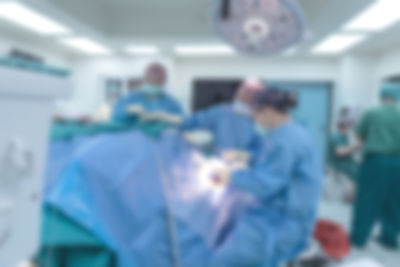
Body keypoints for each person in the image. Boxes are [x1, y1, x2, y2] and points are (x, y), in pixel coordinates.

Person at [209, 88, 323, 267]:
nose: (253, 119)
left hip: (278, 224)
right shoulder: (292, 131)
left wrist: (230, 174)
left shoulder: (286, 141)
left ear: (268, 111)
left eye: (255, 114)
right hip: (287, 215)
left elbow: (263, 184)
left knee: (222, 262)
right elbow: (275, 162)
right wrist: (244, 156)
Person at [351, 83, 400, 249]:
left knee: (367, 199)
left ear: (381, 96)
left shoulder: (372, 113)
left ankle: (359, 238)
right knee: (395, 201)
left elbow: (359, 136)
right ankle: (389, 238)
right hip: (398, 163)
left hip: (376, 161)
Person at [180, 78, 265, 153]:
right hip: (221, 164)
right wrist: (168, 118)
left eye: (253, 92)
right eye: (246, 90)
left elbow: (263, 151)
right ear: (239, 91)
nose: (248, 94)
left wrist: (243, 156)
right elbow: (188, 122)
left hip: (248, 166)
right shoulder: (221, 112)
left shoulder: (263, 120)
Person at [112, 63, 183, 123]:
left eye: (158, 82)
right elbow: (115, 116)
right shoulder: (130, 98)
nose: (155, 85)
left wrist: (167, 117)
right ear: (145, 79)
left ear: (164, 81)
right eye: (151, 82)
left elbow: (183, 121)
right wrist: (128, 110)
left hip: (163, 138)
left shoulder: (172, 103)